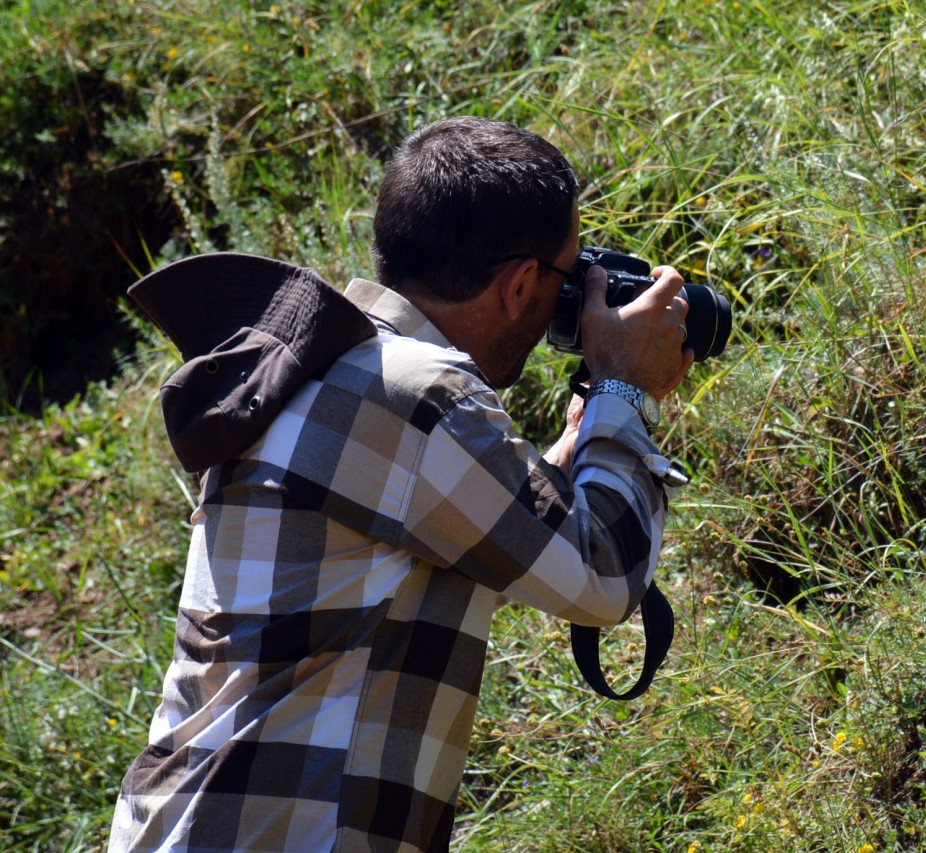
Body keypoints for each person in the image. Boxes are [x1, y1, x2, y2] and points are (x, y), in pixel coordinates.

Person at [109, 115, 695, 852]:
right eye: (569, 275)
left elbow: (480, 532)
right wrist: (625, 390)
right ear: (521, 284)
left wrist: (586, 433)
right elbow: (603, 576)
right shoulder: (417, 395)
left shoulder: (324, 370)